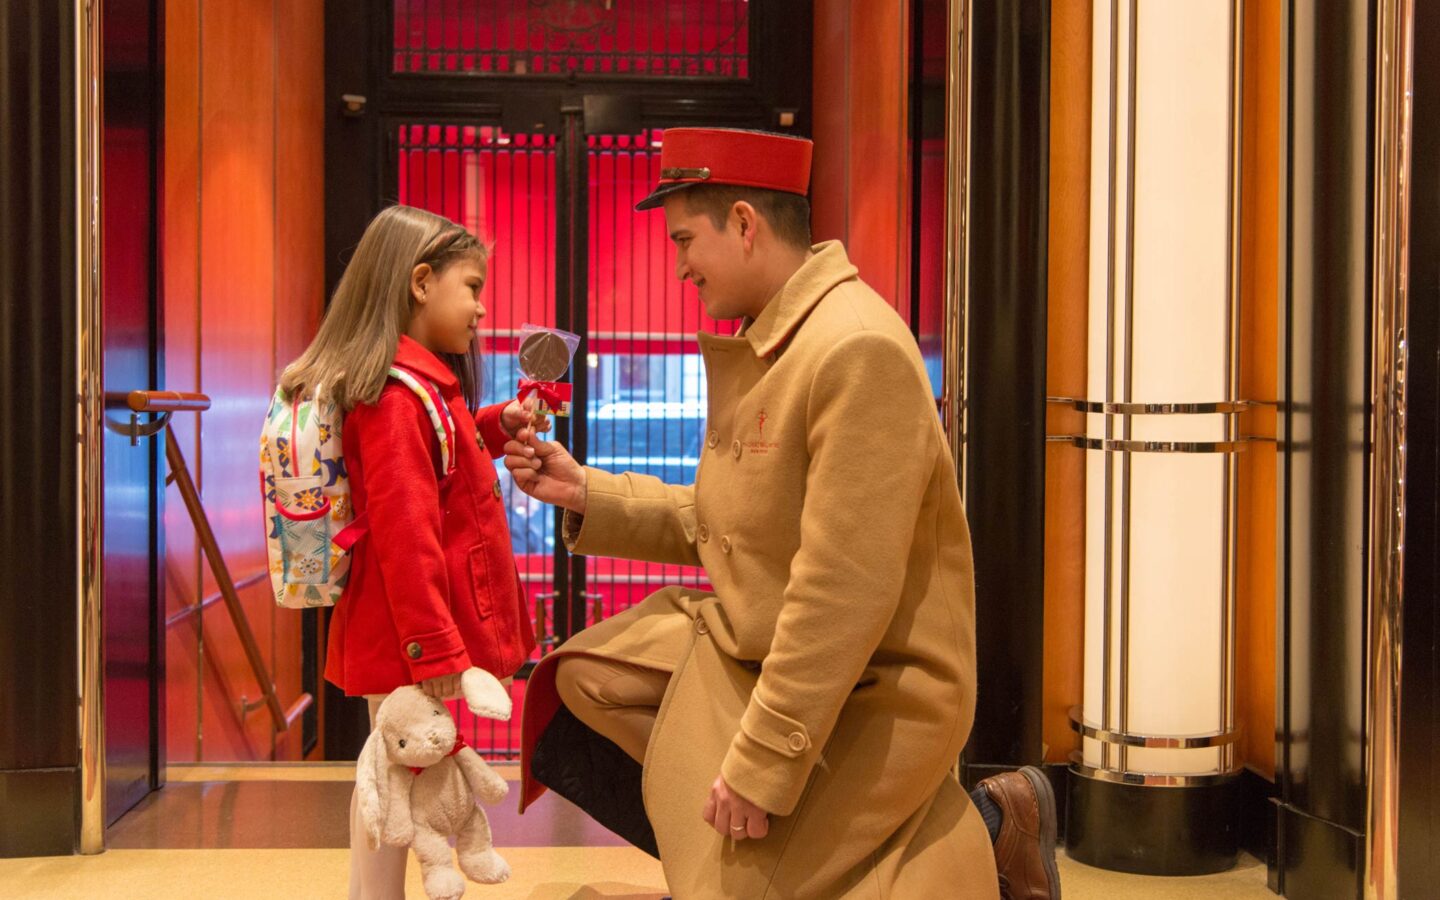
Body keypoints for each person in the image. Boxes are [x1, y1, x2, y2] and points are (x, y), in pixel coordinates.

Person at [504, 129, 1060, 899]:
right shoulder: (778, 340)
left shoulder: (854, 349)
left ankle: (986, 834)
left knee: (735, 881)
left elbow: (842, 593)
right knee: (582, 684)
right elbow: (735, 527)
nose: (679, 266)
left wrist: (763, 762)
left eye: (685, 240)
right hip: (758, 649)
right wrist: (583, 493)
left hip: (874, 691)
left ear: (743, 223)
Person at [278, 204, 546, 900]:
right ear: (421, 282)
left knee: (396, 774)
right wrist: (436, 650)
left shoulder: (418, 388)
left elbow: (442, 458)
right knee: (392, 782)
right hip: (409, 630)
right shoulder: (399, 397)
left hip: (407, 628)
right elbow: (406, 534)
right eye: (473, 287)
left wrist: (495, 423)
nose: (481, 307)